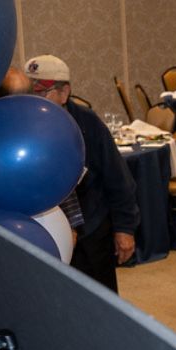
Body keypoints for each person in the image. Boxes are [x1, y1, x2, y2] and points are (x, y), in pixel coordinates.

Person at [23, 55, 138, 292]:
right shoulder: (21, 123)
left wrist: (125, 228)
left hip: (91, 229)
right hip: (43, 231)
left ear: (64, 92)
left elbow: (117, 178)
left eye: (40, 93)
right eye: (27, 92)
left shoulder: (87, 123)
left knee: (99, 299)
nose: (31, 100)